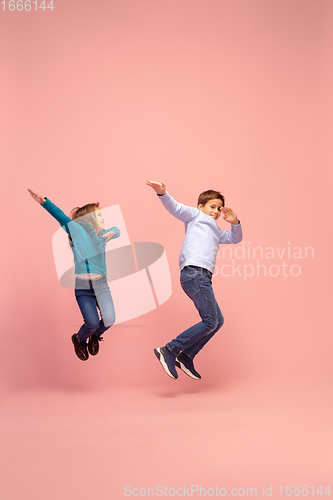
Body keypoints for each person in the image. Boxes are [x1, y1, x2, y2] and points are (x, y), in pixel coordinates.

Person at [146, 180, 242, 380]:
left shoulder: (216, 230)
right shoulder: (195, 216)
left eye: (219, 209)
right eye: (212, 207)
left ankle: (186, 357)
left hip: (203, 276)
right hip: (194, 273)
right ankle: (170, 350)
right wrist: (162, 193)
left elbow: (235, 239)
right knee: (210, 321)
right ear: (201, 206)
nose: (215, 212)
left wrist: (235, 223)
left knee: (218, 321)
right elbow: (175, 208)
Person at [28, 189, 120, 361]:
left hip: (101, 285)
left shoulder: (100, 234)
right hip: (84, 288)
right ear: (90, 218)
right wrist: (44, 202)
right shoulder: (77, 232)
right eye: (99, 215)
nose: (103, 218)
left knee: (109, 319)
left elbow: (117, 229)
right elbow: (61, 216)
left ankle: (95, 336)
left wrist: (111, 233)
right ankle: (79, 339)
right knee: (91, 323)